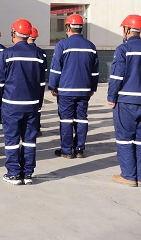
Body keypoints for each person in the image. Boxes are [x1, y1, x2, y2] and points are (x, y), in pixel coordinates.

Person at [0, 18, 45, 185]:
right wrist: (39, 103)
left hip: (11, 104)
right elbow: (41, 83)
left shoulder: (7, 54)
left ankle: (14, 173)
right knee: (29, 140)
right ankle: (28, 174)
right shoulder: (39, 54)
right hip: (32, 105)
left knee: (12, 140)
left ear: (14, 33)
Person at [48, 14, 98, 159]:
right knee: (81, 119)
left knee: (66, 120)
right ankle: (79, 149)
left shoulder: (62, 45)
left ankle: (67, 150)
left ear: (68, 27)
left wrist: (53, 86)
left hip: (66, 90)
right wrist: (92, 88)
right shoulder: (91, 46)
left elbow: (56, 69)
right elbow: (95, 72)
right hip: (84, 90)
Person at [108, 14, 141, 187]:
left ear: (127, 30)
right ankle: (140, 177)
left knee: (125, 138)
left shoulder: (123, 49)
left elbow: (116, 76)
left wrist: (111, 97)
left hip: (127, 101)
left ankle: (128, 175)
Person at [28, 27, 47, 135]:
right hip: (39, 83)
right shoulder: (41, 52)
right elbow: (44, 70)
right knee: (37, 106)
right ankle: (37, 127)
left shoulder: (22, 51)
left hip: (27, 84)